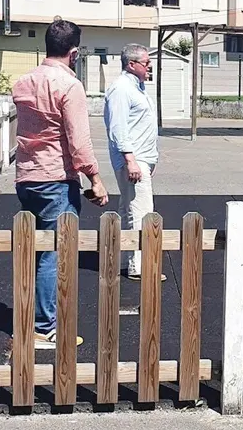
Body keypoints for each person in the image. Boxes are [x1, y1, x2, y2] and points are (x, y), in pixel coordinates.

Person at [12, 19, 108, 349]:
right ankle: (43, 327)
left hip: (27, 177)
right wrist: (95, 179)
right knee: (52, 254)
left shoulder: (23, 82)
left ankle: (35, 317)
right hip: (55, 178)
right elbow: (78, 141)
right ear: (74, 52)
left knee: (37, 251)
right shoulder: (69, 86)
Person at [104, 43, 164, 281]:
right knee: (141, 212)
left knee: (128, 210)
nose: (149, 67)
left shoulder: (137, 88)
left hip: (142, 159)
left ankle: (122, 260)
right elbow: (118, 128)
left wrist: (149, 160)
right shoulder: (121, 89)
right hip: (133, 159)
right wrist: (131, 160)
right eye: (146, 63)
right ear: (132, 64)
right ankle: (139, 266)